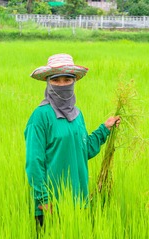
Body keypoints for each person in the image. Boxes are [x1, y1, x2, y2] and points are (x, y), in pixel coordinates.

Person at [24, 53, 120, 226]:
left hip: (78, 202)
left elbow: (83, 150)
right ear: (48, 82)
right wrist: (43, 199)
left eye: (67, 80)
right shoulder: (40, 117)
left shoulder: (77, 115)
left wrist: (104, 129)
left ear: (74, 81)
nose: (62, 84)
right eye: (56, 80)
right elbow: (34, 162)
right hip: (51, 206)